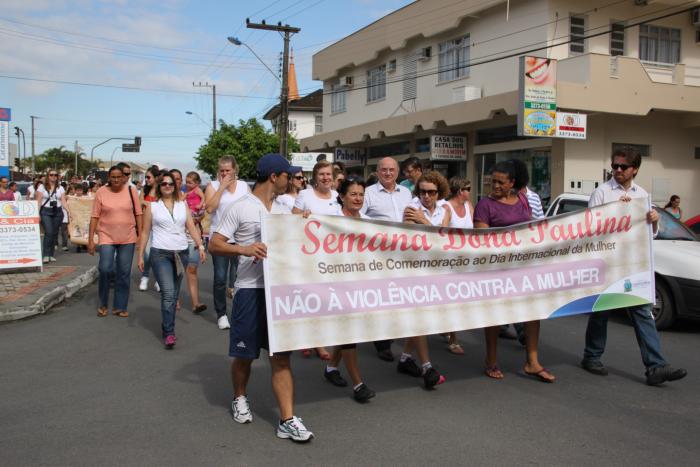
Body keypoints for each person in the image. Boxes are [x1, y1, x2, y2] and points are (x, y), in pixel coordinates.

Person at [208, 153, 314, 442]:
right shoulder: (240, 207)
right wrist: (243, 249)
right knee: (245, 356)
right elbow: (215, 244)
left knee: (280, 357)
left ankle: (287, 419)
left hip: (279, 291)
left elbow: (299, 232)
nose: (290, 181)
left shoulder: (285, 206)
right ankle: (239, 397)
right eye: (287, 176)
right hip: (249, 291)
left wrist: (303, 222)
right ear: (274, 177)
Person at [581, 149, 687, 386]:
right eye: (615, 166)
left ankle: (656, 366)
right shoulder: (602, 192)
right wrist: (618, 210)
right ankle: (592, 356)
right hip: (608, 263)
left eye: (623, 167)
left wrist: (653, 222)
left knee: (642, 313)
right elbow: (590, 227)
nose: (617, 170)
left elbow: (648, 235)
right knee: (601, 313)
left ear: (634, 169)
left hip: (632, 264)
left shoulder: (642, 195)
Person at [473, 161, 555, 383]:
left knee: (531, 313)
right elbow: (482, 240)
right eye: (493, 181)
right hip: (497, 269)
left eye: (501, 182)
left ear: (513, 183)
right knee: (495, 315)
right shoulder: (484, 206)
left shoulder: (523, 200)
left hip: (524, 268)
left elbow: (533, 229)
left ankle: (532, 361)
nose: (495, 185)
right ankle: (491, 360)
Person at [321, 177, 376, 402]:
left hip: (361, 284)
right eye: (353, 194)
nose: (357, 198)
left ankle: (331, 368)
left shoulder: (370, 221)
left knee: (350, 331)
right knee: (349, 333)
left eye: (361, 195)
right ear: (342, 196)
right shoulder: (331, 220)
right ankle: (358, 384)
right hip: (337, 283)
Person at [138, 172, 206, 349]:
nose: (167, 186)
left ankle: (166, 325)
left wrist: (201, 246)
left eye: (170, 183)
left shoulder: (182, 205)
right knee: (168, 293)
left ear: (175, 186)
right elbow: (145, 232)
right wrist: (140, 255)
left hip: (180, 253)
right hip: (160, 254)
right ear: (159, 187)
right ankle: (169, 332)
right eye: (163, 184)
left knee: (174, 293)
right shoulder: (152, 207)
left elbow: (191, 226)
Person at [394, 171, 449, 389]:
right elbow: (412, 237)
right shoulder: (411, 208)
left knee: (425, 316)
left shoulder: (444, 209)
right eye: (423, 191)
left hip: (435, 267)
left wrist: (424, 221)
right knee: (420, 316)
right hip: (414, 267)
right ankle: (427, 366)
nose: (426, 196)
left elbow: (442, 236)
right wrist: (425, 224)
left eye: (431, 192)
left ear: (439, 193)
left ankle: (406, 358)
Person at [360, 157, 413, 361]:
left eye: (392, 170)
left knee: (397, 296)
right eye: (384, 170)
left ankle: (391, 333)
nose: (388, 173)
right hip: (379, 254)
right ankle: (382, 343)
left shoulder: (406, 193)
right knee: (381, 298)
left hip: (402, 254)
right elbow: (358, 218)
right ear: (377, 171)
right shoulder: (368, 194)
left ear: (397, 172)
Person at [292, 160, 339, 361]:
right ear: (315, 177)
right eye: (322, 175)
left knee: (325, 299)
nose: (325, 178)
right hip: (309, 254)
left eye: (328, 174)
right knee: (310, 297)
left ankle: (315, 337)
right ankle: (314, 341)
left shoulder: (338, 197)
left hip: (331, 256)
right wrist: (302, 216)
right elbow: (292, 218)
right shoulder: (305, 195)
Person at [88, 165, 142, 318]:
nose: (117, 179)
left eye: (120, 176)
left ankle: (120, 306)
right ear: (109, 178)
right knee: (105, 269)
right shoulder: (101, 192)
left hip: (128, 237)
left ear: (124, 177)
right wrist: (91, 239)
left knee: (123, 272)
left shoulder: (131, 191)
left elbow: (138, 214)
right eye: (113, 177)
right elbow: (94, 216)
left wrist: (139, 236)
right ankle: (103, 303)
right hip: (106, 236)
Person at [205, 155, 250, 330]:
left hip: (240, 238)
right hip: (220, 238)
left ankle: (239, 312)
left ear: (235, 171)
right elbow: (210, 208)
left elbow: (251, 207)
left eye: (228, 170)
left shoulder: (244, 186)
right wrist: (222, 187)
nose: (224, 173)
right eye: (222, 171)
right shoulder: (213, 186)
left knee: (240, 278)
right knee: (220, 278)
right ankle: (221, 314)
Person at [440, 176, 474, 354]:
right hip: (451, 261)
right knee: (453, 300)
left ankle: (447, 327)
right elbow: (442, 232)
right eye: (468, 188)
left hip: (466, 260)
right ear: (461, 190)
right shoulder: (446, 208)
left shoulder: (469, 206)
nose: (470, 191)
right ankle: (453, 338)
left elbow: (475, 231)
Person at [35, 170, 67, 263]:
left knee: (54, 233)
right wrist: (37, 214)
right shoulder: (41, 187)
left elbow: (63, 201)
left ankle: (51, 254)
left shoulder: (60, 188)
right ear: (48, 176)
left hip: (57, 211)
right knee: (48, 232)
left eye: (55, 175)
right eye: (51, 175)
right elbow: (38, 201)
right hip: (45, 211)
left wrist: (69, 212)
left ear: (57, 177)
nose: (53, 176)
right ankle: (45, 254)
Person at [138, 166, 161, 292]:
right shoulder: (144, 190)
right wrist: (147, 203)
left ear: (156, 178)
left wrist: (147, 204)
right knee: (146, 255)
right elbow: (139, 202)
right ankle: (145, 276)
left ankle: (158, 279)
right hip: (147, 228)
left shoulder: (162, 191)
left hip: (159, 228)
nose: (146, 179)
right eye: (146, 177)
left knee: (158, 255)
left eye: (148, 177)